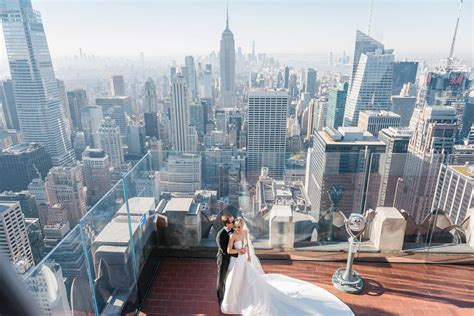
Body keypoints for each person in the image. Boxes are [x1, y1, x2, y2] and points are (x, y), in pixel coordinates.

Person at [221, 217, 354, 316]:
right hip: (238, 260)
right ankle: (237, 298)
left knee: (249, 279)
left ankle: (245, 298)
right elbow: (229, 251)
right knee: (236, 280)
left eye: (239, 226)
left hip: (244, 260)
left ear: (242, 226)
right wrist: (240, 252)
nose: (238, 228)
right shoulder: (233, 236)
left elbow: (247, 246)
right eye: (237, 226)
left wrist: (248, 255)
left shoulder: (244, 233)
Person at [215, 214, 247, 306]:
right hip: (224, 259)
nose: (234, 223)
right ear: (226, 224)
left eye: (234, 221)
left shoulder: (234, 229)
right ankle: (220, 299)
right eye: (232, 222)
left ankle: (230, 295)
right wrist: (239, 252)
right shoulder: (220, 235)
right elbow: (225, 251)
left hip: (233, 258)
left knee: (231, 277)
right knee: (221, 279)